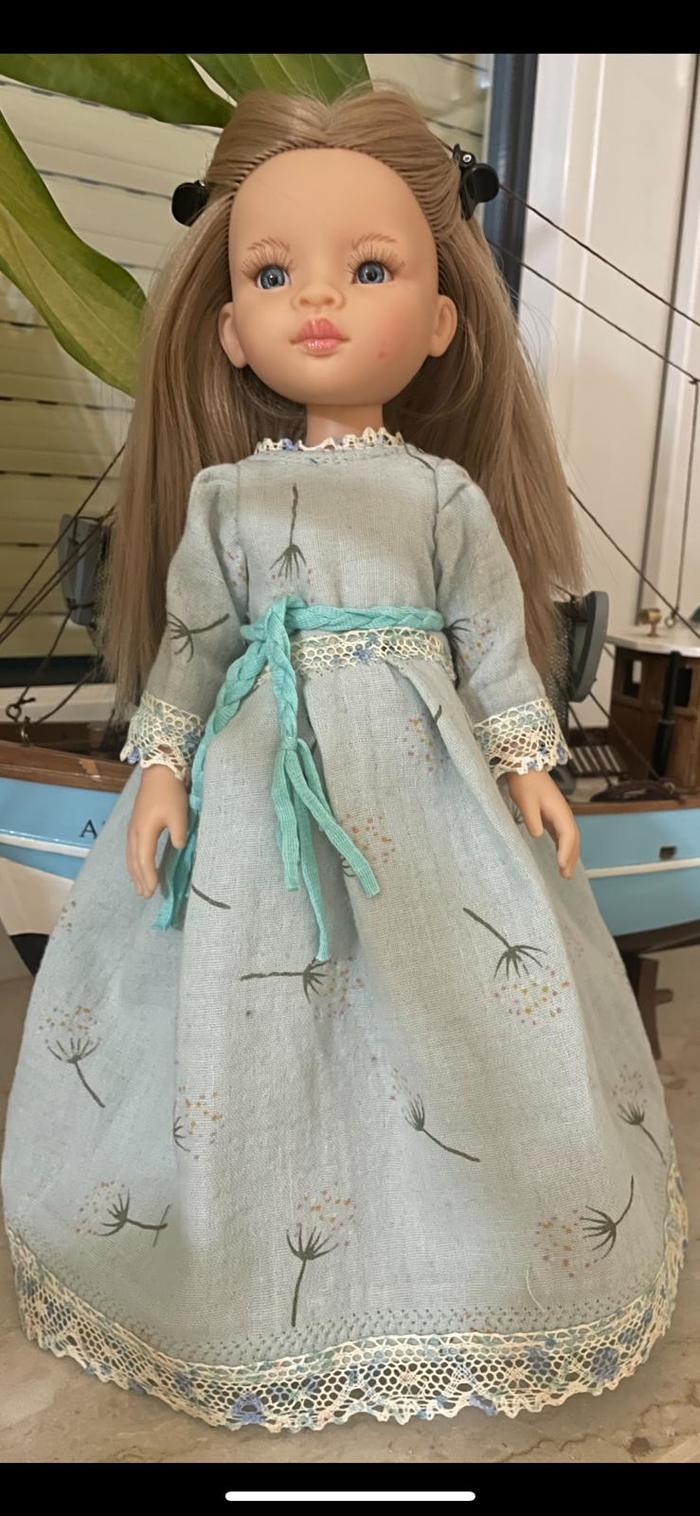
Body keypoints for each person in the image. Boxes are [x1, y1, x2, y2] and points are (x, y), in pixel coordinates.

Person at [1, 86, 685, 1435]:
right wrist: (162, 767)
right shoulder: (228, 497)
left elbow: (490, 642)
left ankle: (457, 1261)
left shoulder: (441, 495)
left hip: (420, 786)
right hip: (262, 784)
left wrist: (526, 762)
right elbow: (195, 645)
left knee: (444, 1001)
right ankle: (236, 1263)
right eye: (274, 274)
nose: (318, 300)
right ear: (231, 328)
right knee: (248, 1005)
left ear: (439, 321)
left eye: (370, 269)